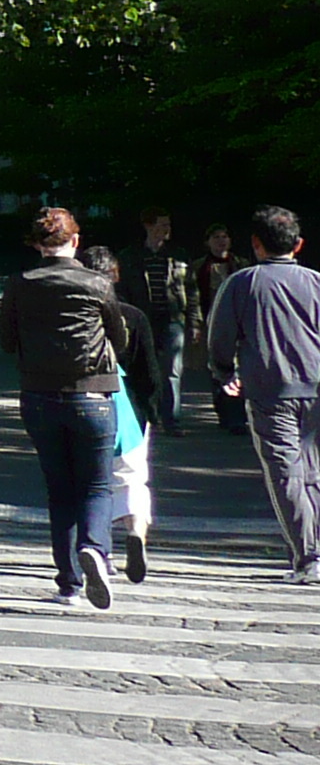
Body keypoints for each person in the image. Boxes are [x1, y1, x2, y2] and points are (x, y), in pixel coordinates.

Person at [0, 207, 133, 609]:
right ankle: (95, 549)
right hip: (92, 393)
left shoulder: (20, 284)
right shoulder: (96, 283)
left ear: (38, 244)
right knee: (95, 484)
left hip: (39, 395)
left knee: (60, 490)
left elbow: (6, 341)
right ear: (76, 240)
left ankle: (69, 583)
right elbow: (119, 337)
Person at [208, 206, 320, 583]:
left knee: (285, 471)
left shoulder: (242, 283)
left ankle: (308, 556)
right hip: (316, 386)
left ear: (255, 244)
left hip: (269, 388)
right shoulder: (316, 282)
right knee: (313, 470)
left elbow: (220, 338)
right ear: (299, 244)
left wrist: (224, 371)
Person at [82, 246, 165, 583]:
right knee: (133, 478)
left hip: (86, 400)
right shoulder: (133, 316)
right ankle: (136, 533)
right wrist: (153, 411)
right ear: (115, 277)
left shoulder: (77, 316)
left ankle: (103, 551)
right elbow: (150, 373)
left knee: (92, 482)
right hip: (129, 407)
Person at [121, 213, 190, 435]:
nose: (167, 229)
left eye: (168, 224)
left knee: (172, 370)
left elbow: (192, 289)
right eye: (162, 224)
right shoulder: (131, 256)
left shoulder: (178, 256)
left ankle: (172, 420)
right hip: (142, 320)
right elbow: (121, 289)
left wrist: (195, 322)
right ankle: (146, 414)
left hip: (172, 319)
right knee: (143, 368)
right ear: (148, 226)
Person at [198, 224, 252, 434]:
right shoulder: (200, 267)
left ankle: (237, 415)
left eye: (225, 236)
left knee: (238, 366)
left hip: (238, 322)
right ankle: (223, 410)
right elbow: (193, 296)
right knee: (217, 365)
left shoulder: (241, 265)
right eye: (216, 237)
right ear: (208, 242)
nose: (221, 241)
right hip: (210, 321)